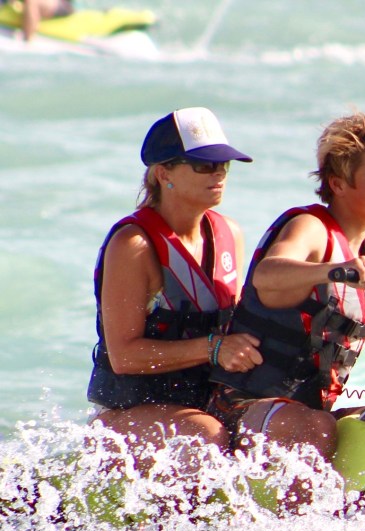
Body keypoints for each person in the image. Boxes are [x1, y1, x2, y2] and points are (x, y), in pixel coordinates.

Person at [208, 112, 365, 488]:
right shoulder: (311, 228)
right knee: (315, 426)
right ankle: (301, 527)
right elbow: (268, 275)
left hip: (308, 410)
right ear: (338, 183)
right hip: (238, 405)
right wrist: (335, 270)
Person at [87, 106, 262, 475]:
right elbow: (124, 357)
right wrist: (213, 348)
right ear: (163, 173)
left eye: (223, 165)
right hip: (129, 415)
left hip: (204, 405)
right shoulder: (133, 245)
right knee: (206, 434)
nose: (218, 174)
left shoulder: (230, 233)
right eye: (204, 165)